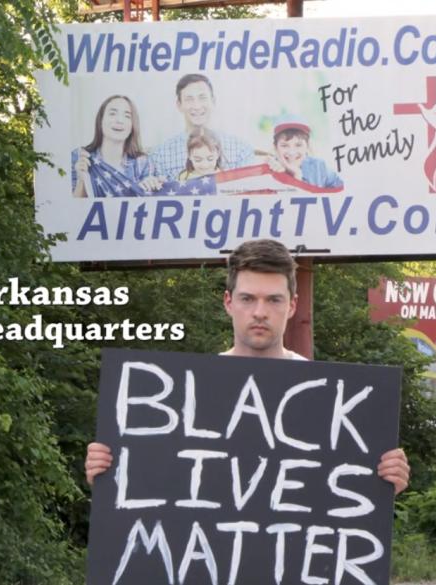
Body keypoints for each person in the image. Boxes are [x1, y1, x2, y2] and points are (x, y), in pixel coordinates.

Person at [85, 239, 411, 494]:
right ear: (228, 302)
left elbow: (338, 500)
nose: (259, 312)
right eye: (247, 299)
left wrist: (383, 483)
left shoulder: (327, 398)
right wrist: (110, 472)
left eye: (273, 300)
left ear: (292, 305)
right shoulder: (190, 394)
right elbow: (162, 489)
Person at [148, 74, 255, 180]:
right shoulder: (160, 156)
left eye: (202, 98)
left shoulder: (241, 150)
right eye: (189, 99)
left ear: (213, 101)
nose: (197, 106)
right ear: (179, 105)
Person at [72, 95, 164, 198]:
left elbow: (151, 204)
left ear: (132, 125)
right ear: (100, 120)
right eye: (112, 114)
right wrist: (82, 180)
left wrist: (152, 185)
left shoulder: (142, 162)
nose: (120, 120)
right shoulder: (79, 156)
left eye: (127, 116)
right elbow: (70, 209)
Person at [267, 117, 343, 189]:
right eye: (284, 145)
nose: (292, 152)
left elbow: (342, 191)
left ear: (307, 146)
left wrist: (297, 174)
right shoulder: (270, 170)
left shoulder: (319, 167)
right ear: (275, 148)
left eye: (298, 145)